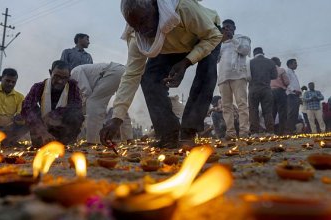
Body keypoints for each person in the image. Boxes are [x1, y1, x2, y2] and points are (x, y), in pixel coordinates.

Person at [100, 0, 222, 148]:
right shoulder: (137, 36)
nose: (142, 30)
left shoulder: (183, 9)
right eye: (136, 26)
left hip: (204, 36)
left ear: (155, 8)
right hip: (169, 44)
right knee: (149, 78)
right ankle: (168, 134)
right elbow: (132, 75)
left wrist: (186, 62)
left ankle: (189, 131)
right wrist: (117, 118)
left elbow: (213, 36)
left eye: (144, 21)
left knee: (207, 74)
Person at [21, 60, 84, 147]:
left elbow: (77, 106)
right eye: (57, 76)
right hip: (42, 128)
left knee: (76, 114)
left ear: (69, 77)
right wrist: (43, 132)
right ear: (50, 72)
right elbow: (26, 108)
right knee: (31, 111)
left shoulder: (72, 87)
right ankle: (42, 140)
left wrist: (53, 115)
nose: (60, 81)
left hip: (62, 128)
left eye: (64, 78)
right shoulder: (39, 87)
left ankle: (66, 143)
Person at [70, 62, 132, 145]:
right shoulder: (80, 71)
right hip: (123, 72)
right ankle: (128, 138)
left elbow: (86, 93)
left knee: (94, 102)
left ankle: (93, 142)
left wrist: (81, 113)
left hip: (114, 72)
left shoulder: (74, 72)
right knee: (120, 106)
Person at [217, 19, 251, 139]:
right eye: (224, 27)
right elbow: (215, 59)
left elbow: (245, 51)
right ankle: (230, 133)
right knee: (226, 106)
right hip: (223, 77)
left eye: (229, 27)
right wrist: (219, 41)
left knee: (242, 104)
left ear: (234, 28)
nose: (227, 29)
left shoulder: (242, 38)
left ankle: (244, 132)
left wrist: (233, 38)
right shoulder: (220, 42)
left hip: (238, 75)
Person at [248, 47, 277, 136]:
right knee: (267, 111)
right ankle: (270, 132)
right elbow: (274, 76)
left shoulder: (249, 62)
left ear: (254, 54)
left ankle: (254, 133)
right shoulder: (270, 62)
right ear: (262, 53)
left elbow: (247, 76)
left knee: (253, 111)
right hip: (266, 89)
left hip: (253, 89)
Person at [270, 57, 290, 135]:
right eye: (279, 61)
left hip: (270, 92)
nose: (280, 62)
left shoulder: (268, 71)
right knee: (282, 112)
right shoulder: (281, 70)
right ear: (276, 62)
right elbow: (287, 82)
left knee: (272, 112)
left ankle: (271, 132)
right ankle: (282, 132)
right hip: (280, 92)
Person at [285, 59, 301, 134]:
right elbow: (287, 83)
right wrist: (294, 91)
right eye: (295, 63)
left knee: (295, 113)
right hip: (291, 95)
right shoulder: (287, 72)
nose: (296, 65)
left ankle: (293, 129)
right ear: (290, 64)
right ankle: (289, 130)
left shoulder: (293, 73)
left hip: (296, 95)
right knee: (291, 113)